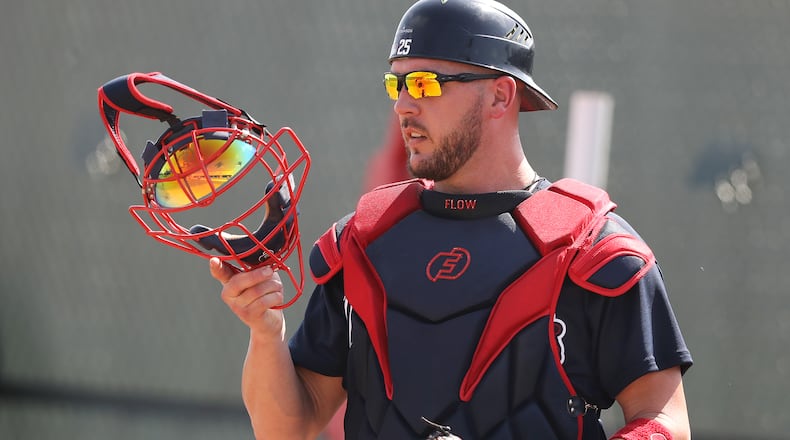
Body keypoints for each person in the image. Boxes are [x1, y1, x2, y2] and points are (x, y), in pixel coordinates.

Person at [209, 0, 693, 439]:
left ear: (501, 97)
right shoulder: (365, 240)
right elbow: (288, 426)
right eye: (396, 83)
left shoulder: (591, 248)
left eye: (425, 83)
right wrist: (265, 331)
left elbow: (664, 420)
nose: (403, 104)